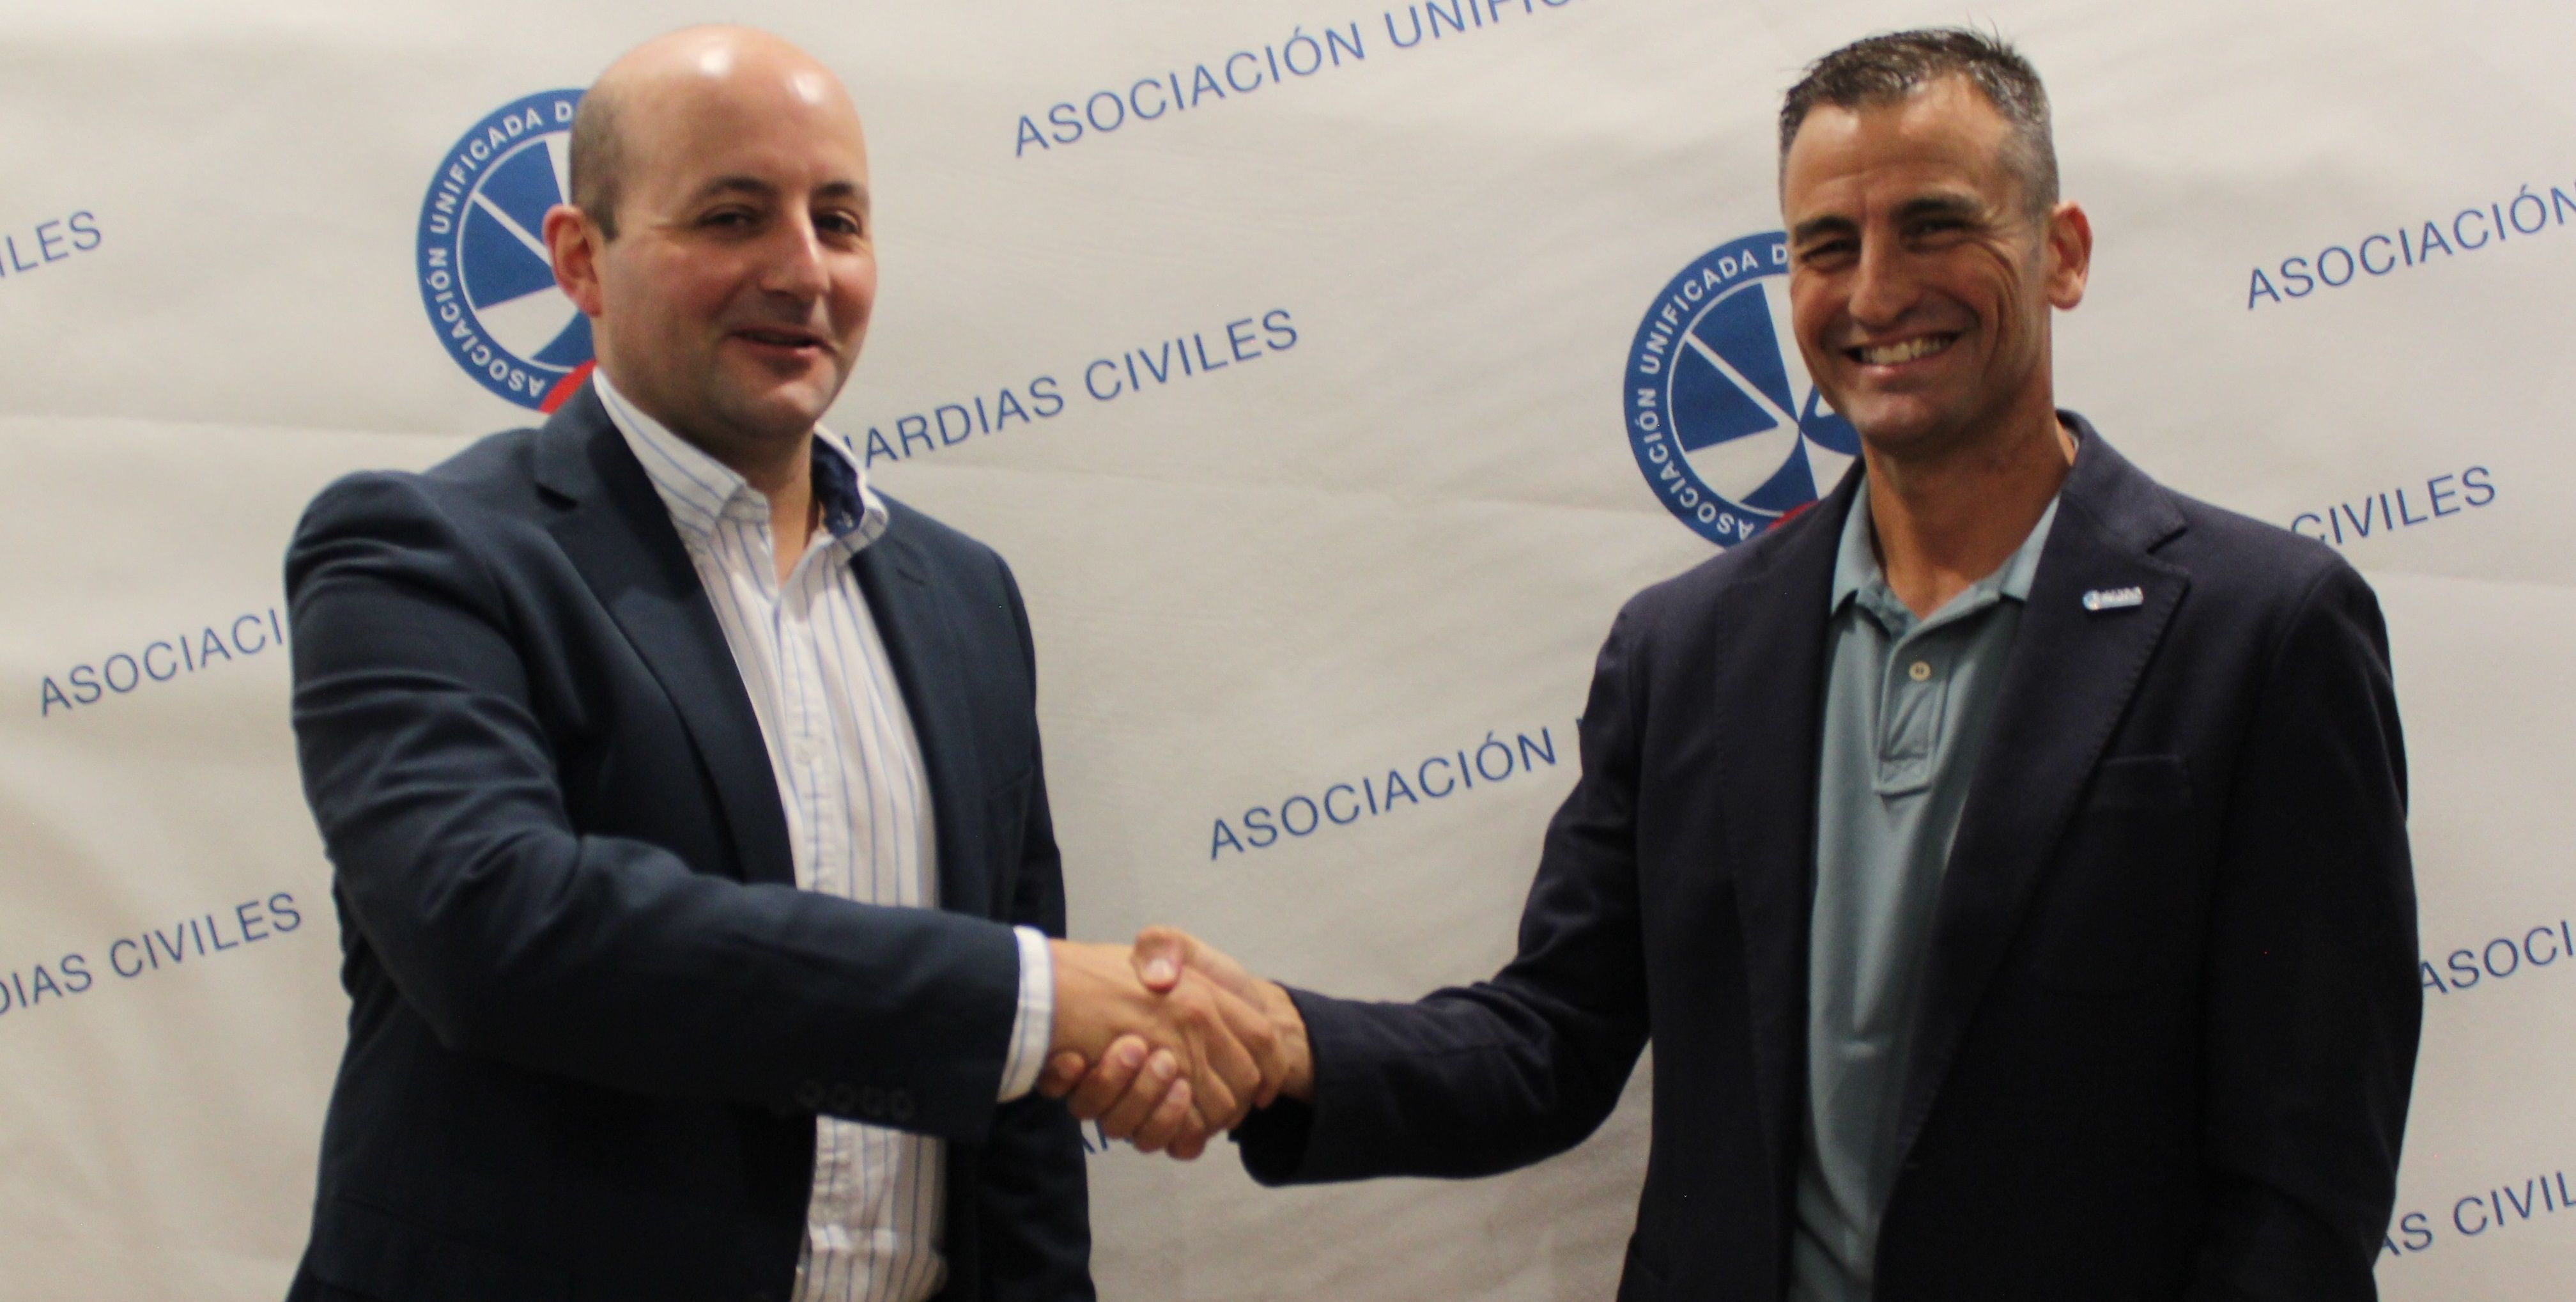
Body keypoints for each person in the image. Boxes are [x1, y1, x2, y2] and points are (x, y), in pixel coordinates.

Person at [1051, 28, 2421, 1301]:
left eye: (1936, 223)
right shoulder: (1687, 647)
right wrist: (1284, 1043)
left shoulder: (2267, 630)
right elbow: (1552, 1037)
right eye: (1828, 244)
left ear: (2060, 250)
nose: (1877, 290)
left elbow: (2307, 1184)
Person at [280, 26, 1277, 1302]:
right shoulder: (422, 549)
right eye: (734, 215)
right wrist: (1030, 997)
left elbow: (1017, 1112)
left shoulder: (966, 597)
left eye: (841, 221)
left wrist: (1057, 1030)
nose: (801, 271)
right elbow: (496, 926)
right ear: (582, 259)